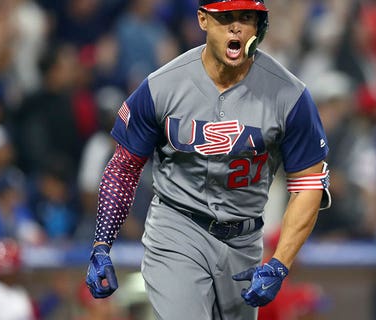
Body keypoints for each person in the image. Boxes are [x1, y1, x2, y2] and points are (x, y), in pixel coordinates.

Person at [84, 1, 331, 319]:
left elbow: (308, 184)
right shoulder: (162, 85)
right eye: (226, 18)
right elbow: (124, 166)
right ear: (203, 20)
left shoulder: (290, 95)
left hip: (244, 238)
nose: (237, 28)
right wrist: (102, 243)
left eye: (247, 18)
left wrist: (280, 262)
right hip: (177, 229)